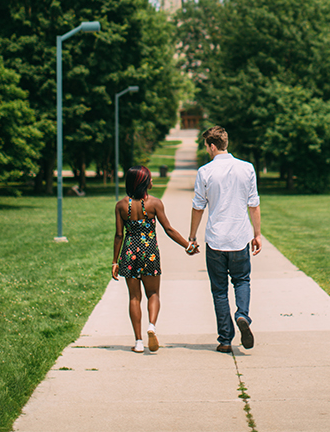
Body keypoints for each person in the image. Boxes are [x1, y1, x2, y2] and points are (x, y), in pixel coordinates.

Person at [188, 126, 262, 354]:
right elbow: (254, 204)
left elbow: (198, 207)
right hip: (240, 237)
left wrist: (192, 236)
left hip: (216, 240)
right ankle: (242, 316)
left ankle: (225, 339)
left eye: (206, 147)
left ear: (212, 146)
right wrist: (257, 234)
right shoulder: (247, 168)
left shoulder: (205, 172)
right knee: (242, 281)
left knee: (219, 290)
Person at [111, 166, 198, 353]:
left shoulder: (120, 206)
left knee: (134, 297)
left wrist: (115, 262)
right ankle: (152, 326)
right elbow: (169, 229)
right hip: (149, 252)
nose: (152, 181)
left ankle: (138, 342)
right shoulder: (154, 204)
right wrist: (187, 245)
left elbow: (119, 235)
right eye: (149, 178)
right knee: (153, 293)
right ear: (142, 182)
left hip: (129, 253)